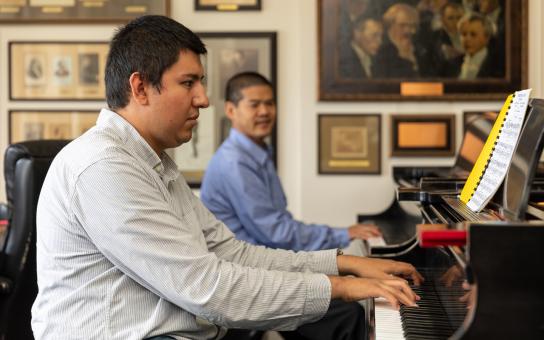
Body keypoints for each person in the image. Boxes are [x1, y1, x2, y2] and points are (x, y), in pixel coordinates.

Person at [32, 15, 422, 340]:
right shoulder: (104, 166)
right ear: (140, 88)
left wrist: (341, 265)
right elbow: (206, 287)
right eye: (189, 83)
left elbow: (230, 253)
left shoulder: (154, 163)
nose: (203, 99)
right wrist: (339, 287)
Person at [201, 72, 382, 252]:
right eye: (254, 105)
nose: (264, 112)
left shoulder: (257, 153)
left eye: (269, 103)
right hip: (246, 271)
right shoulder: (235, 162)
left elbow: (279, 225)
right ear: (231, 110)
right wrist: (343, 234)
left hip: (264, 260)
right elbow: (276, 233)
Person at [455, 13, 501, 79]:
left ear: (487, 38)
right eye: (464, 34)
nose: (467, 39)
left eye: (473, 34)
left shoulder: (497, 66)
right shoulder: (452, 64)